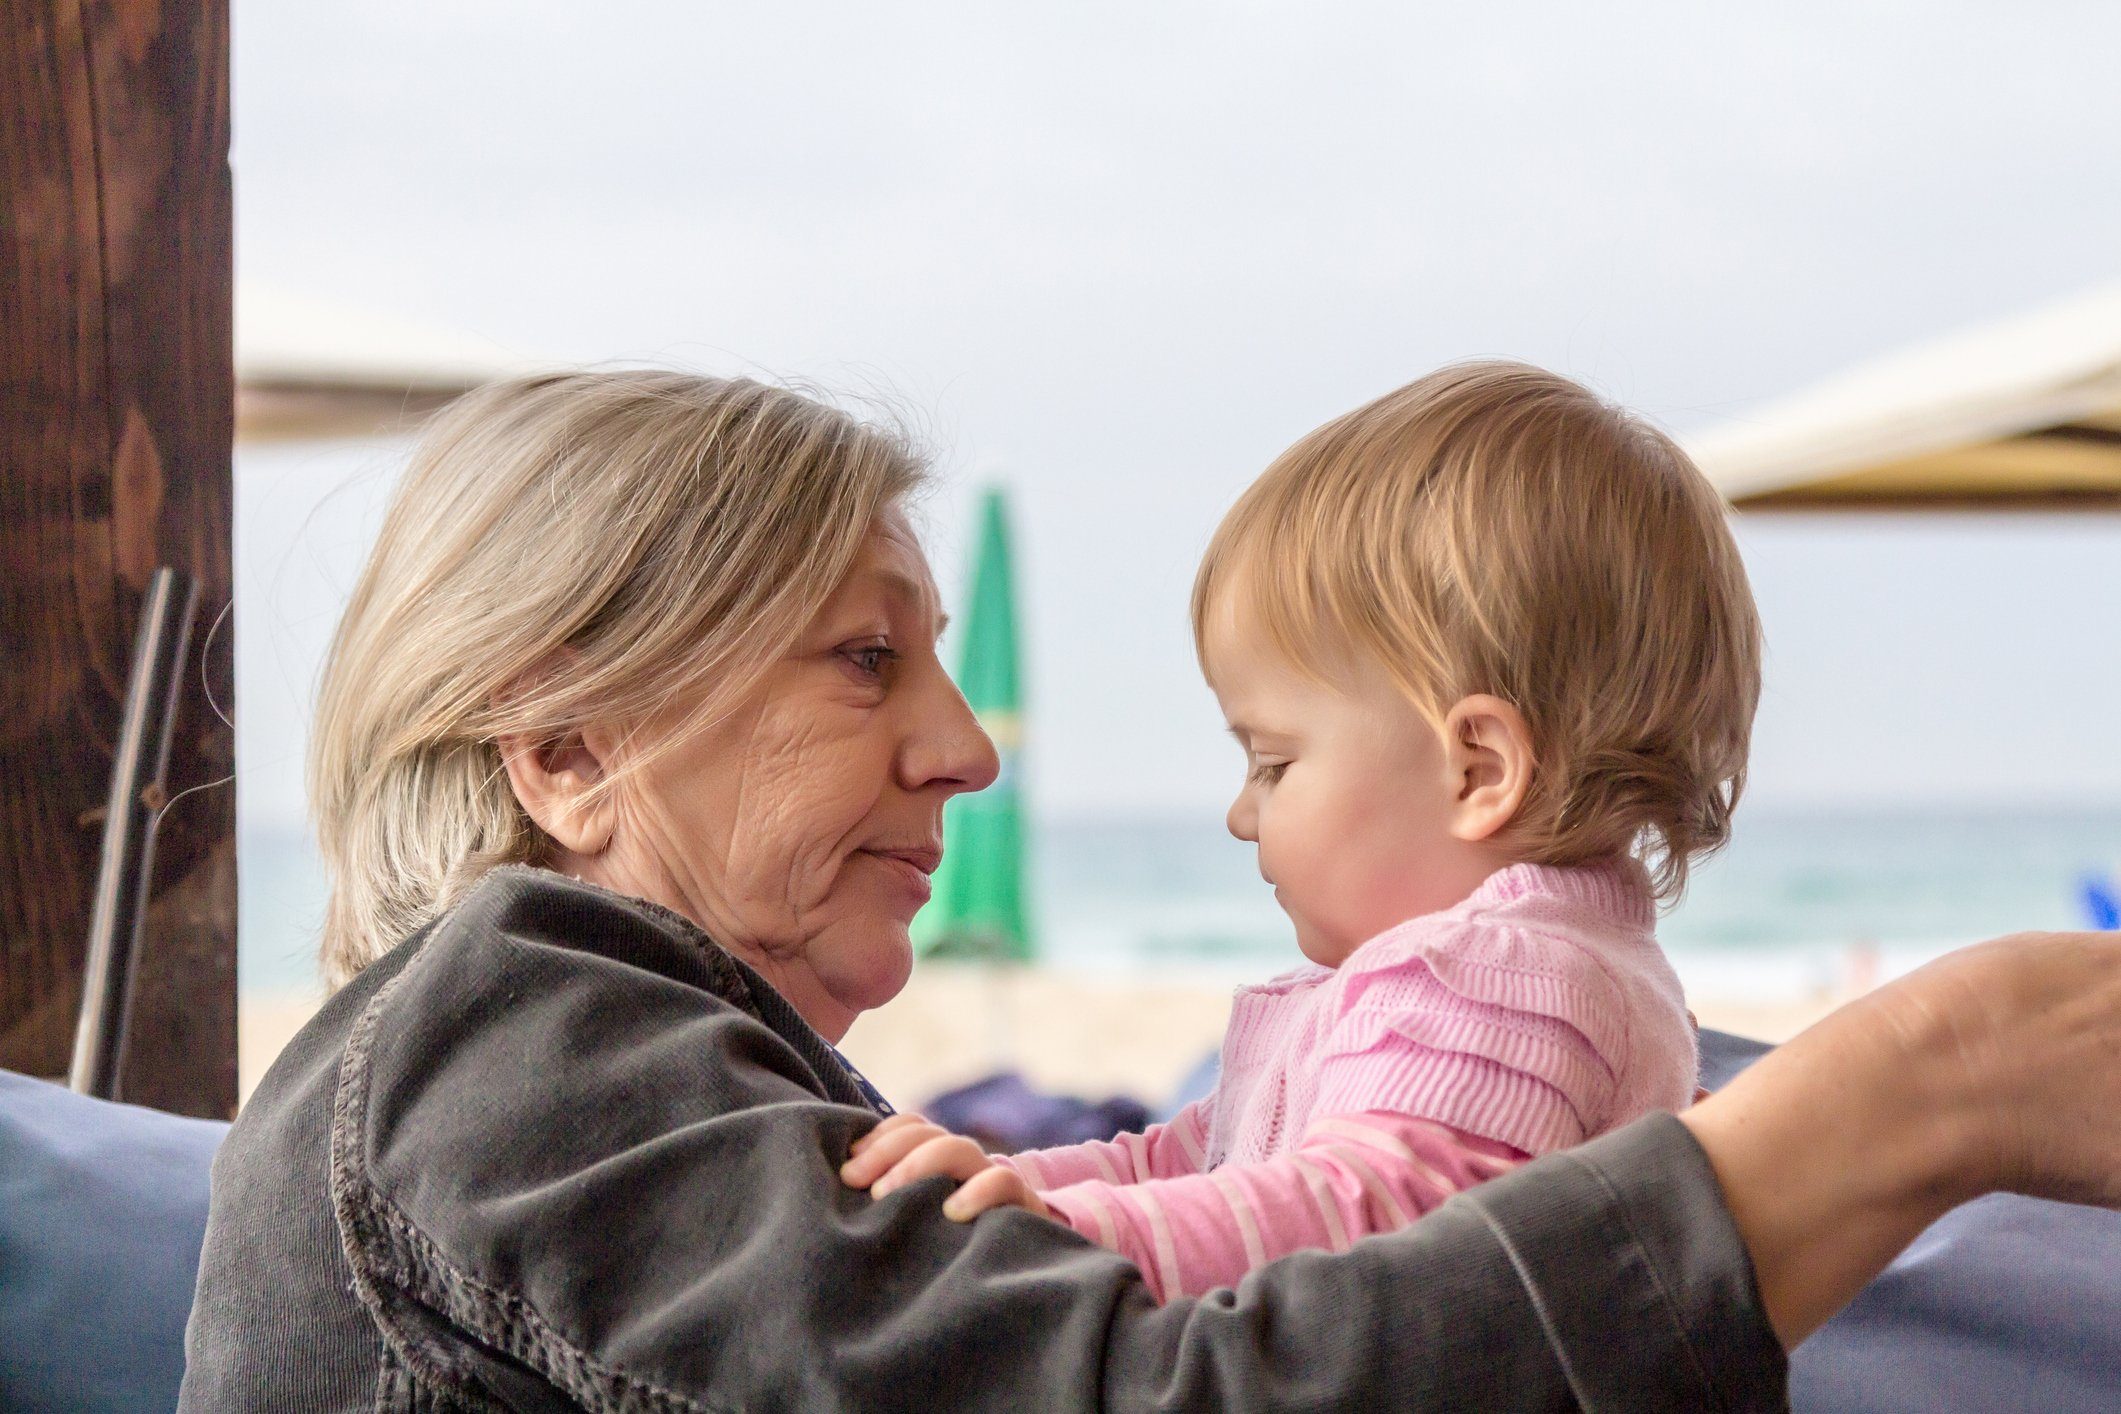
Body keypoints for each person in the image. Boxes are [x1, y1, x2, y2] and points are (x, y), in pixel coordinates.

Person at [179, 369, 2121, 1411]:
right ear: (569, 745)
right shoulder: (512, 1019)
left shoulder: (622, 1092)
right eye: (865, 658)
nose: (967, 745)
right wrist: (1903, 1093)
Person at [843, 363, 1750, 1302]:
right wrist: (1008, 1185)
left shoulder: (1507, 981)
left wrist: (1058, 1230)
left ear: (1478, 769)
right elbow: (1194, 1160)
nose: (1242, 816)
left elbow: (1366, 1212)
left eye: (1273, 764)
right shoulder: (1470, 982)